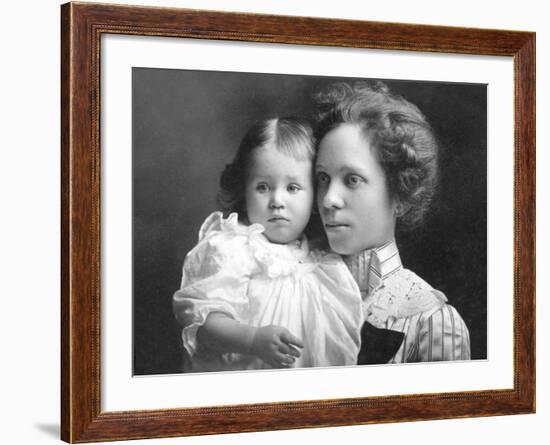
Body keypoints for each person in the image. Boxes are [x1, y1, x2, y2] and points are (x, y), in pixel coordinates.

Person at [173, 117, 363, 372]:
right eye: (263, 187)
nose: (277, 200)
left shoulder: (324, 260)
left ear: (315, 195)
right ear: (244, 190)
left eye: (293, 188)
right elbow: (202, 324)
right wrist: (252, 339)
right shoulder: (232, 248)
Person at [313, 81, 471, 364]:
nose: (329, 199)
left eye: (352, 180)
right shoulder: (291, 286)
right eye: (323, 178)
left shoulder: (430, 321)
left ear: (401, 194)